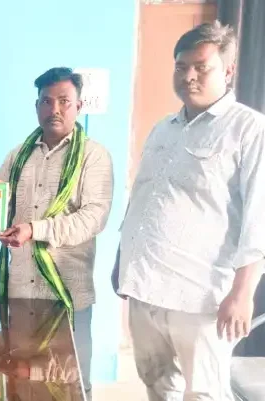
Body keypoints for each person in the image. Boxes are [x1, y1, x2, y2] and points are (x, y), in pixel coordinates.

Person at [113, 21, 265, 401]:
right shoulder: (163, 129)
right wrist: (121, 260)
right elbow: (141, 198)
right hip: (145, 287)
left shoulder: (249, 129)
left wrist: (243, 292)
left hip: (201, 298)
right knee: (157, 384)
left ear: (228, 71)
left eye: (201, 67)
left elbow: (259, 217)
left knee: (204, 394)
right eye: (181, 67)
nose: (189, 76)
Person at [0, 67, 114, 396]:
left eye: (64, 101)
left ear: (79, 106)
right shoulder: (17, 155)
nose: (54, 109)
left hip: (66, 295)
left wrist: (35, 229)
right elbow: (1, 212)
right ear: (36, 107)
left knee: (70, 382)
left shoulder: (94, 156)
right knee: (20, 379)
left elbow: (93, 218)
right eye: (46, 101)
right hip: (19, 293)